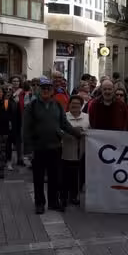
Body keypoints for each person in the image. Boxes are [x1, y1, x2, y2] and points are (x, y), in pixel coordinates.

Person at [23, 77, 83, 214]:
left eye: (48, 89)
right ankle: (39, 203)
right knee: (38, 178)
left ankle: (53, 202)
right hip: (38, 148)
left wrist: (76, 133)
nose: (46, 91)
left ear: (52, 91)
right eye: (43, 88)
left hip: (55, 147)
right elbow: (26, 128)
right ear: (39, 90)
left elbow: (64, 124)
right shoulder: (31, 106)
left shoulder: (57, 105)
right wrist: (28, 148)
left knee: (54, 177)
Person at [63, 95, 90, 207]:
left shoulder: (87, 117)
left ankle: (74, 196)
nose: (75, 106)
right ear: (69, 105)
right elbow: (59, 130)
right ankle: (64, 196)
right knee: (66, 175)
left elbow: (92, 131)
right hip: (66, 150)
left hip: (82, 151)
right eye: (73, 103)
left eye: (78, 104)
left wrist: (83, 132)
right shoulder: (64, 117)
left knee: (78, 175)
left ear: (81, 105)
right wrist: (72, 132)